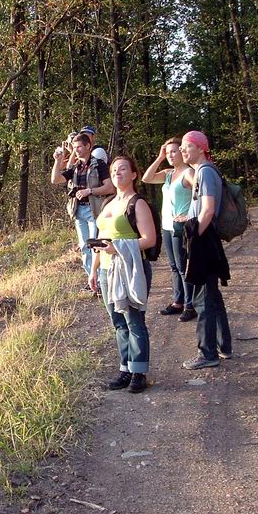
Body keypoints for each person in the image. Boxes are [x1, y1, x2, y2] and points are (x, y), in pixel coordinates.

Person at [89, 156, 156, 393]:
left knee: (134, 321)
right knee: (118, 323)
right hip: (107, 269)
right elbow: (101, 240)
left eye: (123, 169)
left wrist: (118, 247)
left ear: (134, 175)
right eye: (114, 169)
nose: (117, 173)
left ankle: (139, 372)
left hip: (130, 269)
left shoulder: (137, 203)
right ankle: (125, 368)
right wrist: (94, 269)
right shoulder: (108, 202)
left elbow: (149, 240)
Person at [179, 132, 233, 370]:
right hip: (206, 237)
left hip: (204, 239)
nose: (182, 150)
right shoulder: (204, 171)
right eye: (181, 146)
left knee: (202, 299)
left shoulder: (205, 172)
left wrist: (194, 239)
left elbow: (208, 209)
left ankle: (207, 353)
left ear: (201, 148)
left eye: (187, 146)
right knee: (211, 296)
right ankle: (223, 346)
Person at [142, 138, 196, 322]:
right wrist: (159, 157)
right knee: (173, 266)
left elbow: (201, 192)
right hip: (166, 225)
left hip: (180, 227)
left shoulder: (188, 173)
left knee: (182, 266)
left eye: (175, 151)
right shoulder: (167, 173)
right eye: (168, 152)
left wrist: (190, 215)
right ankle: (178, 302)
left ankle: (190, 306)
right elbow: (146, 178)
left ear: (182, 152)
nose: (171, 155)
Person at [51, 132, 114, 284]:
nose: (76, 150)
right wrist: (58, 161)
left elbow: (110, 187)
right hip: (78, 211)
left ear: (88, 146)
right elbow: (55, 179)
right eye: (74, 147)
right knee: (84, 247)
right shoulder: (75, 167)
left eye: (79, 146)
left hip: (95, 211)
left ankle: (101, 281)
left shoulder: (99, 164)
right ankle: (92, 281)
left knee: (95, 246)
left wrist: (90, 191)